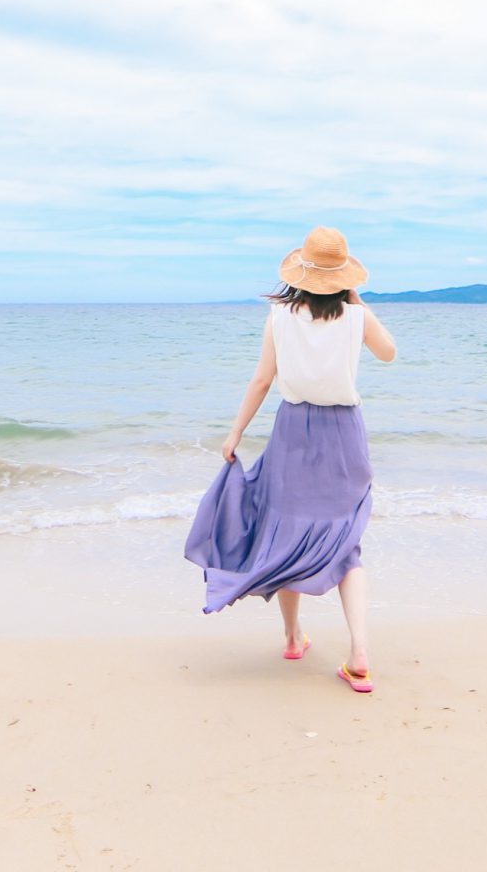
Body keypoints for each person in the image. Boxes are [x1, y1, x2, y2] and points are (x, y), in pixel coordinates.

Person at [184, 226, 398, 693]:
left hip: (293, 432)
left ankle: (292, 637)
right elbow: (389, 353)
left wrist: (236, 431)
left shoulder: (279, 316)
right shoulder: (355, 316)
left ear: (300, 272)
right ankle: (359, 652)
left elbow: (261, 381)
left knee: (285, 530)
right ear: (344, 276)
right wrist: (358, 302)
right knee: (347, 543)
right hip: (345, 435)